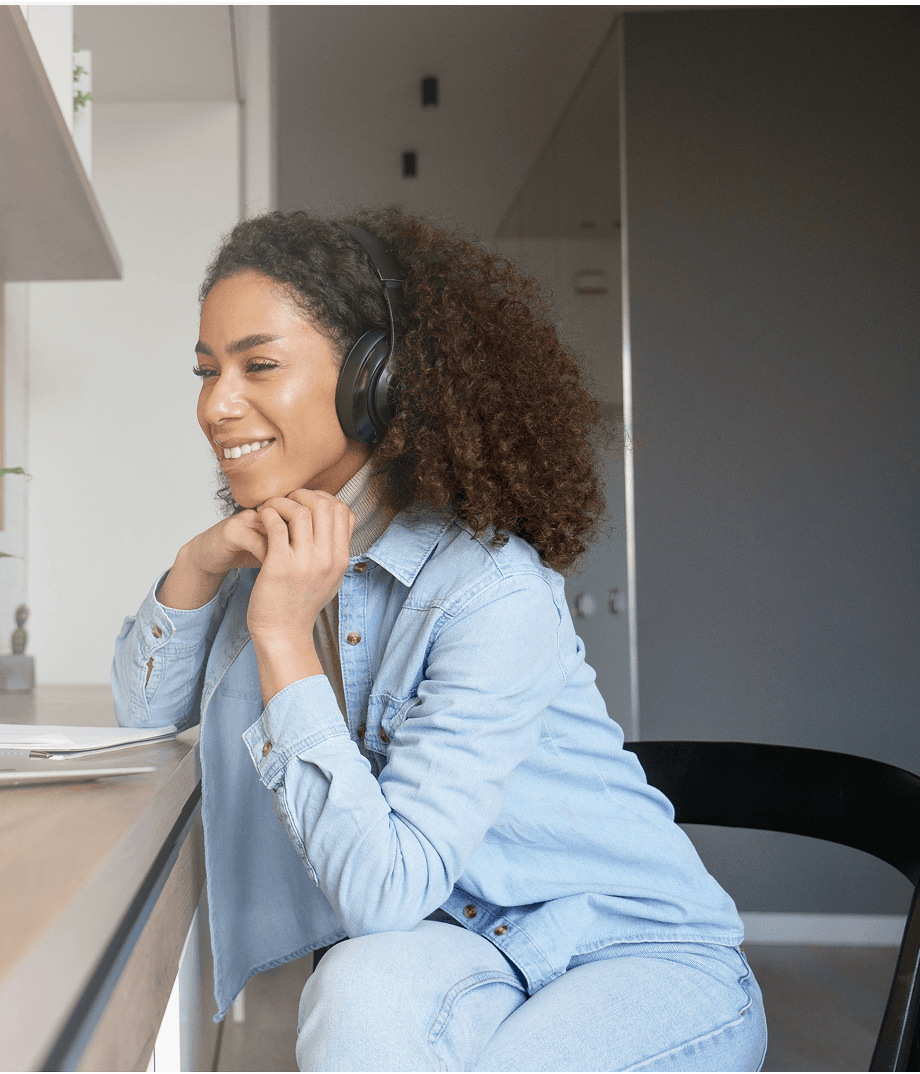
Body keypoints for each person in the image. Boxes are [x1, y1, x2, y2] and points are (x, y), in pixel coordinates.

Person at [111, 208, 767, 1071]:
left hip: (632, 951)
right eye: (207, 371)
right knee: (354, 996)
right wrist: (196, 566)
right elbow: (145, 712)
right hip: (465, 948)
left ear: (374, 380)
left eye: (258, 365)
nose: (215, 405)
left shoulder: (491, 591)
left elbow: (383, 889)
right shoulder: (276, 554)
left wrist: (279, 634)